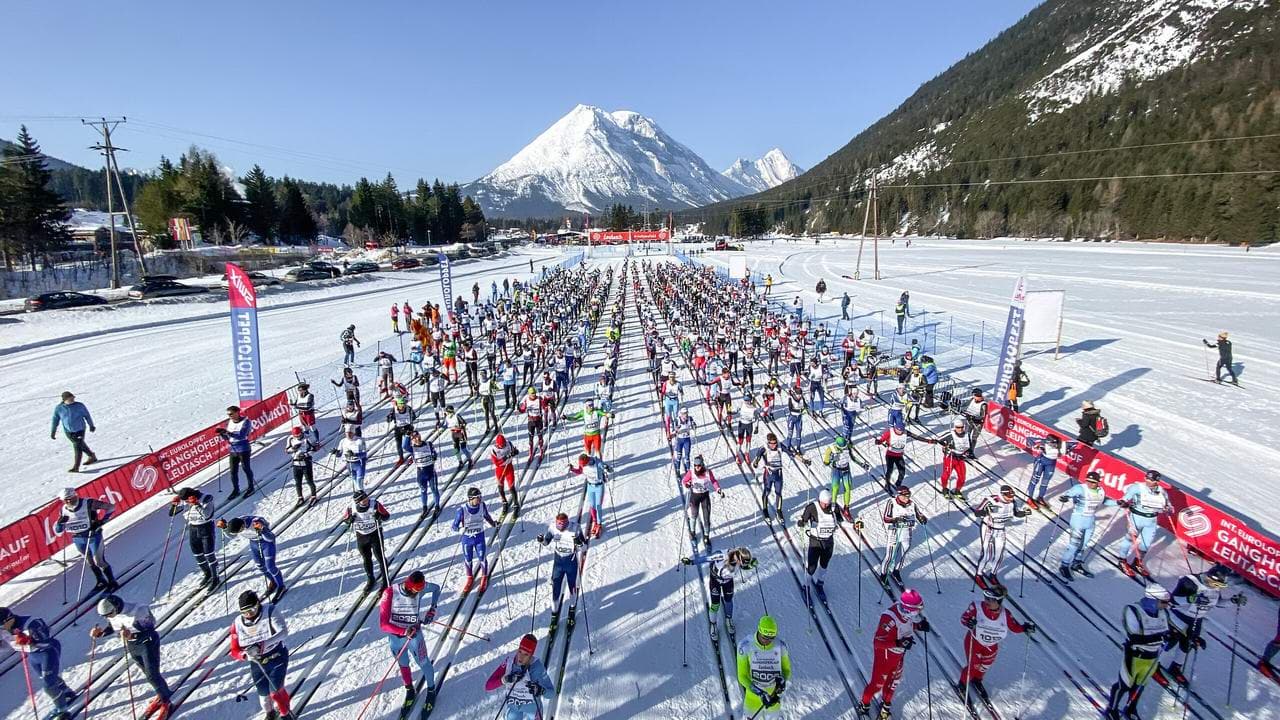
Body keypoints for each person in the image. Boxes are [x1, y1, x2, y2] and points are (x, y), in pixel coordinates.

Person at [91, 595, 172, 717]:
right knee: (147, 673)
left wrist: (132, 636)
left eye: (109, 614)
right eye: (105, 616)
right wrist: (101, 633)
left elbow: (151, 629)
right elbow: (114, 626)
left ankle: (167, 702)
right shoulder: (113, 613)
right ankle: (162, 694)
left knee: (152, 675)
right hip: (132, 645)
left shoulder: (138, 611)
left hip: (147, 643)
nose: (108, 617)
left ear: (116, 607)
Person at [1163, 564, 1245, 685]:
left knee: (1187, 645)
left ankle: (1175, 668)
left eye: (1220, 586)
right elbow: (1173, 600)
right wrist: (1192, 599)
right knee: (1171, 641)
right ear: (1209, 576)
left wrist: (1232, 601)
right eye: (1215, 584)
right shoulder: (1190, 581)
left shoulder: (1216, 587)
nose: (1216, 587)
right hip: (1179, 616)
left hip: (1196, 619)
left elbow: (1218, 602)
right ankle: (1154, 665)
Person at [1104, 584, 1174, 720]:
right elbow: (1135, 638)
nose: (1166, 605)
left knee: (1140, 685)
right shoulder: (1133, 611)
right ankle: (1111, 709)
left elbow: (1168, 633)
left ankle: (1131, 708)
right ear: (1153, 600)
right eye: (1164, 602)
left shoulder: (1163, 613)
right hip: (1135, 655)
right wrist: (1159, 637)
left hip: (1152, 657)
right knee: (1124, 684)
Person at [857, 589, 930, 718]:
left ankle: (886, 705)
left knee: (893, 682)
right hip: (885, 656)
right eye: (916, 610)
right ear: (908, 609)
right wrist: (899, 643)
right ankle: (864, 704)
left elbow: (906, 626)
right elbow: (877, 642)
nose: (918, 613)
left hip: (899, 655)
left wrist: (918, 626)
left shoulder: (908, 615)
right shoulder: (889, 618)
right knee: (877, 684)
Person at [958, 586, 1035, 703]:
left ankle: (977, 680)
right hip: (974, 641)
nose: (987, 601)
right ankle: (962, 685)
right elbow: (964, 619)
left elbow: (1014, 627)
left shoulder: (1006, 614)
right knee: (974, 665)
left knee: (985, 666)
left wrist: (1025, 628)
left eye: (991, 599)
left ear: (999, 601)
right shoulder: (976, 607)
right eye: (986, 597)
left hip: (991, 646)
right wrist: (969, 623)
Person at [378, 570, 441, 709]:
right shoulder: (390, 593)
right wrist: (404, 631)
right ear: (408, 585)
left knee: (424, 662)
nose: (419, 592)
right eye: (416, 590)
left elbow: (436, 589)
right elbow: (383, 625)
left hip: (415, 637)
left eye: (421, 589)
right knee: (403, 663)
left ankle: (431, 690)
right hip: (396, 637)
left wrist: (432, 609)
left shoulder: (422, 587)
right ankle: (409, 689)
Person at [1, 606, 77, 716]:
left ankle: (62, 709)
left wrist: (30, 641)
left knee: (48, 685)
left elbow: (47, 640)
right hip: (33, 655)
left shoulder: (30, 624)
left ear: (9, 619)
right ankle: (65, 691)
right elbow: (5, 645)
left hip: (47, 652)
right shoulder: (3, 630)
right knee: (46, 677)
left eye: (2, 626)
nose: (2, 630)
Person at [229, 590, 293, 720]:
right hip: (257, 662)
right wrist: (245, 655)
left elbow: (283, 632)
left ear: (258, 604)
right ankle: (270, 714)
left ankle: (286, 714)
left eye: (252, 610)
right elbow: (234, 650)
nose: (249, 615)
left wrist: (263, 644)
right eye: (245, 612)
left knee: (275, 692)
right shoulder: (238, 623)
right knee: (263, 696)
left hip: (277, 655)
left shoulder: (269, 611)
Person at [683, 547, 756, 640]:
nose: (741, 565)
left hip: (728, 581)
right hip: (715, 581)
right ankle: (713, 625)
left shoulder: (741, 558)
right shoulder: (721, 555)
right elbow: (706, 558)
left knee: (728, 600)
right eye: (741, 563)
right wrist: (691, 562)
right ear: (738, 557)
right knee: (715, 604)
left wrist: (752, 564)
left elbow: (745, 566)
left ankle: (728, 619)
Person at [54, 487, 118, 592]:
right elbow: (59, 531)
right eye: (66, 499)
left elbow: (111, 507)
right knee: (89, 561)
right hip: (78, 538)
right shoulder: (63, 510)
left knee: (99, 561)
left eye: (71, 498)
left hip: (93, 536)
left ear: (75, 495)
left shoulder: (88, 503)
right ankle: (100, 580)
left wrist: (102, 521)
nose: (69, 501)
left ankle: (112, 581)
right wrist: (60, 523)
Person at [1057, 471, 1116, 580]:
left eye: (1093, 482)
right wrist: (1065, 497)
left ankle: (1076, 563)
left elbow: (1105, 501)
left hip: (1090, 521)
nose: (1090, 483)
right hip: (1078, 519)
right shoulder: (1080, 488)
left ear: (1098, 482)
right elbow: (1068, 494)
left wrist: (1118, 503)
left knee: (1083, 545)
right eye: (1088, 481)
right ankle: (1064, 566)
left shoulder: (1100, 491)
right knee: (1074, 545)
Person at [485, 633, 556, 720]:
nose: (521, 657)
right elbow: (488, 686)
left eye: (526, 654)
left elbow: (551, 694)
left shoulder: (537, 667)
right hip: (513, 707)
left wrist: (540, 690)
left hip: (532, 708)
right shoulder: (509, 663)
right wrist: (505, 679)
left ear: (531, 655)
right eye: (520, 651)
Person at [1116, 470, 1172, 578]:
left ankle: (1137, 562)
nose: (1148, 481)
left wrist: (1167, 509)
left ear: (1157, 481)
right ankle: (1122, 560)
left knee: (1146, 543)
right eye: (1147, 478)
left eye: (1151, 480)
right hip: (1136, 517)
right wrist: (1123, 502)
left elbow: (1170, 507)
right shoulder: (1137, 487)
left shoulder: (1162, 491)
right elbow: (1125, 497)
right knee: (1130, 538)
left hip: (1151, 520)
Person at [536, 512, 588, 628]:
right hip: (558, 564)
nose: (560, 526)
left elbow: (585, 547)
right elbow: (546, 542)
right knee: (555, 590)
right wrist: (541, 540)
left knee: (572, 588)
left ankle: (571, 613)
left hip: (571, 562)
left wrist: (579, 544)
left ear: (567, 522)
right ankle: (554, 616)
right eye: (558, 523)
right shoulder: (553, 528)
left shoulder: (576, 528)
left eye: (563, 524)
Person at [973, 485, 1030, 588]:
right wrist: (987, 511)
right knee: (987, 554)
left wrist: (1024, 513)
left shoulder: (1012, 502)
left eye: (1012, 496)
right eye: (1008, 496)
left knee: (999, 555)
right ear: (1003, 494)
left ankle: (993, 574)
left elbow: (1016, 513)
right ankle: (979, 574)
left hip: (1001, 529)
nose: (1011, 498)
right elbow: (977, 512)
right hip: (988, 528)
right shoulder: (991, 500)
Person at [219, 515, 286, 602]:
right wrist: (224, 528)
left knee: (270, 567)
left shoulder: (255, 522)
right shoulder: (236, 523)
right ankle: (273, 582)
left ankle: (281, 586)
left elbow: (271, 537)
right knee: (260, 566)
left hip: (266, 544)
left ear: (242, 526)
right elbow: (232, 535)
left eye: (240, 530)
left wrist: (262, 530)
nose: (240, 532)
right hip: (254, 543)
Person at [736, 615, 791, 717]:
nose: (767, 641)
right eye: (764, 637)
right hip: (752, 699)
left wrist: (783, 681)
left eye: (771, 638)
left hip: (773, 697)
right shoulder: (745, 646)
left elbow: (786, 670)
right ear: (759, 630)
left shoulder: (781, 646)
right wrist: (760, 693)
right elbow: (742, 676)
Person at [168, 487, 219, 589]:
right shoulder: (185, 500)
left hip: (205, 527)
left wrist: (197, 504)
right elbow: (172, 514)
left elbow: (207, 516)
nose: (186, 503)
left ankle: (215, 577)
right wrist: (173, 505)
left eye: (186, 500)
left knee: (209, 554)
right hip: (193, 528)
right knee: (197, 554)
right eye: (185, 501)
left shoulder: (207, 498)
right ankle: (207, 573)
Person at [797, 489, 843, 603]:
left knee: (824, 565)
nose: (826, 505)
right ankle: (805, 587)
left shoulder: (834, 508)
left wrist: (855, 526)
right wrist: (802, 522)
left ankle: (819, 584)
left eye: (827, 503)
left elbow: (840, 521)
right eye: (824, 503)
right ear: (820, 500)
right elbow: (804, 519)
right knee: (812, 567)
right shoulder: (812, 507)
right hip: (815, 542)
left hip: (828, 542)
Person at [877, 485, 928, 584]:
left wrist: (923, 519)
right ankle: (883, 575)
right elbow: (886, 518)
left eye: (908, 496)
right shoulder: (891, 502)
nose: (906, 498)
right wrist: (897, 519)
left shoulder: (912, 504)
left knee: (904, 552)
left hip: (906, 531)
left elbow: (919, 515)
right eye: (904, 496)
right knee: (890, 555)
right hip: (895, 531)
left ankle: (896, 571)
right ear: (898, 495)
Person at [452, 487, 499, 592]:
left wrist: (493, 524)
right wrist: (460, 529)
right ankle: (469, 577)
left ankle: (484, 576)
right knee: (468, 559)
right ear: (470, 498)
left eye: (480, 497)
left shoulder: (482, 505)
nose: (479, 499)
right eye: (477, 497)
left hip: (479, 537)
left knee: (482, 557)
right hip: (467, 539)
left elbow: (487, 516)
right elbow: (454, 526)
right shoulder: (461, 510)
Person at [344, 491, 392, 591]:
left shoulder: (375, 504)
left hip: (375, 535)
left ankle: (385, 579)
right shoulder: (351, 507)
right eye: (363, 499)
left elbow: (387, 516)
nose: (366, 500)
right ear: (358, 501)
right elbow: (345, 520)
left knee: (380, 557)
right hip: (361, 536)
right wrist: (350, 520)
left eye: (366, 497)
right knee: (366, 558)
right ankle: (370, 579)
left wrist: (380, 516)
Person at [568, 453, 614, 537]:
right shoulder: (582, 464)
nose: (583, 466)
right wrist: (572, 469)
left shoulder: (598, 463)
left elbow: (611, 470)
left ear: (588, 460)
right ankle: (595, 522)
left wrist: (607, 468)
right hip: (590, 486)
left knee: (598, 506)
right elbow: (579, 471)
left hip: (599, 486)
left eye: (584, 464)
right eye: (582, 465)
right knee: (592, 506)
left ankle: (599, 524)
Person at [682, 455, 724, 548]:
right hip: (695, 496)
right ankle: (692, 533)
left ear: (702, 464)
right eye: (695, 465)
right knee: (694, 515)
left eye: (699, 465)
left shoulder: (708, 472)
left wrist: (718, 489)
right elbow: (684, 481)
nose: (697, 467)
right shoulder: (691, 472)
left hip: (705, 496)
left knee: (706, 518)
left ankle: (706, 537)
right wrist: (687, 484)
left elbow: (713, 481)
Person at [51, 391, 98, 472]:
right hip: (68, 432)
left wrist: (91, 425)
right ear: (65, 399)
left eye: (73, 398)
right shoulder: (59, 408)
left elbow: (87, 415)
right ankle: (91, 456)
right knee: (80, 444)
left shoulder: (79, 405)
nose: (73, 399)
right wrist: (53, 431)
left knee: (77, 446)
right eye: (70, 398)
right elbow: (55, 420)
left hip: (80, 429)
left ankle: (76, 467)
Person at [217, 405, 256, 499]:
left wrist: (228, 433)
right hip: (233, 449)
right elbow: (227, 438)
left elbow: (241, 435)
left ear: (237, 412)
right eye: (228, 415)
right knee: (233, 471)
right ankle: (236, 489)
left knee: (246, 468)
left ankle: (251, 487)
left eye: (231, 414)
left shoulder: (246, 422)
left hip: (243, 448)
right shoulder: (229, 422)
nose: (230, 416)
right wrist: (222, 434)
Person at [751, 433, 787, 524]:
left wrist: (803, 460)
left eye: (775, 443)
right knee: (767, 492)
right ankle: (765, 510)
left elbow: (791, 453)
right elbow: (757, 459)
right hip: (768, 474)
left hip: (778, 474)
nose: (773, 445)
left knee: (779, 492)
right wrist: (755, 464)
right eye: (771, 443)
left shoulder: (779, 446)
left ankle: (779, 511)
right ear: (768, 443)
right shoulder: (764, 448)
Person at [404, 430, 440, 517]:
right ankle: (424, 507)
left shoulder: (428, 444)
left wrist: (434, 456)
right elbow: (404, 446)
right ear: (412, 440)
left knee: (434, 489)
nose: (417, 439)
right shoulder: (412, 448)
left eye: (418, 436)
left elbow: (434, 453)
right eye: (414, 438)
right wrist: (407, 436)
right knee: (423, 490)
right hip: (421, 474)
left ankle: (437, 506)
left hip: (431, 472)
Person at [935, 419, 972, 500]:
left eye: (962, 427)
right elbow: (938, 439)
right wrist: (947, 445)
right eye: (958, 427)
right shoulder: (950, 434)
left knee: (962, 476)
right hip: (950, 457)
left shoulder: (967, 435)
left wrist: (967, 453)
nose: (960, 429)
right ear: (955, 427)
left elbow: (969, 446)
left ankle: (957, 491)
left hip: (960, 458)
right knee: (946, 474)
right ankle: (944, 489)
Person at [1024, 435, 1064, 508]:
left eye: (1055, 444)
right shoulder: (1043, 442)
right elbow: (1029, 439)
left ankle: (1040, 497)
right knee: (1035, 480)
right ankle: (1029, 498)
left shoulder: (1061, 444)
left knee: (1045, 482)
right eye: (1052, 444)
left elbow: (1073, 444)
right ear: (1048, 442)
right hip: (1041, 461)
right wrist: (1033, 445)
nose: (1054, 446)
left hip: (1051, 463)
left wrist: (1066, 451)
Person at [821, 436, 855, 516]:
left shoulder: (847, 446)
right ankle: (833, 506)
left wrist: (862, 464)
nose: (843, 448)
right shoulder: (831, 448)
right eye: (842, 447)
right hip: (837, 470)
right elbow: (826, 462)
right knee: (835, 488)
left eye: (844, 447)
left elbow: (853, 457)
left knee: (848, 488)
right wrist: (831, 458)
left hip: (846, 470)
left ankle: (846, 508)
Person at [284, 427, 318, 506]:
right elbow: (286, 450)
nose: (298, 437)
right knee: (297, 482)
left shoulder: (307, 438)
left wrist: (305, 455)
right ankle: (300, 497)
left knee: (309, 480)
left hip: (306, 462)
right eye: (296, 436)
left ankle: (314, 496)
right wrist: (293, 449)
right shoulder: (290, 439)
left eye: (299, 435)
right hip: (296, 463)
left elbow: (314, 448)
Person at [491, 433, 521, 513]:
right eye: (501, 445)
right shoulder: (494, 450)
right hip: (500, 469)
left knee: (511, 487)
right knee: (500, 487)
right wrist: (506, 457)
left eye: (504, 444)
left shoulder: (509, 444)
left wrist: (515, 452)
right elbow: (496, 463)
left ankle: (516, 503)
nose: (503, 446)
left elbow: (514, 451)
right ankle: (504, 502)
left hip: (509, 467)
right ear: (497, 444)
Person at [332, 427, 367, 493]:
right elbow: (339, 454)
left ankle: (363, 497)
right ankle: (360, 498)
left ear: (354, 433)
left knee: (359, 484)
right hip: (349, 464)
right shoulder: (342, 441)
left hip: (359, 464)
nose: (348, 435)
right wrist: (336, 452)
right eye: (346, 433)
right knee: (354, 481)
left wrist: (355, 455)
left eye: (350, 433)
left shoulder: (360, 441)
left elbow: (364, 454)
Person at [386, 397, 417, 463]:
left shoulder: (409, 409)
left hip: (407, 428)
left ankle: (414, 455)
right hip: (398, 428)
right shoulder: (394, 410)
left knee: (406, 445)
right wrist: (390, 417)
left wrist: (412, 417)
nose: (402, 407)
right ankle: (401, 458)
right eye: (400, 405)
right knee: (398, 444)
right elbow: (388, 420)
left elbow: (414, 417)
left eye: (403, 405)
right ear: (398, 405)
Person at [671, 407, 697, 475]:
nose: (685, 415)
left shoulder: (690, 418)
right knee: (679, 456)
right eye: (684, 414)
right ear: (681, 414)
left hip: (687, 440)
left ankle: (688, 472)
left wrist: (694, 426)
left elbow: (694, 424)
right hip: (679, 440)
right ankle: (678, 470)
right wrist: (676, 429)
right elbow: (673, 430)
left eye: (686, 413)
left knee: (687, 456)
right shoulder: (677, 420)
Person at [962, 389, 987, 456]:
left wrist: (974, 417)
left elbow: (983, 416)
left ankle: (971, 451)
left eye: (974, 395)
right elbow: (964, 405)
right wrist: (958, 405)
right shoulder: (972, 399)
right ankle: (965, 449)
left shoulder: (983, 404)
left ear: (978, 395)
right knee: (966, 435)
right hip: (969, 421)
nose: (973, 396)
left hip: (977, 424)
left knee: (974, 437)